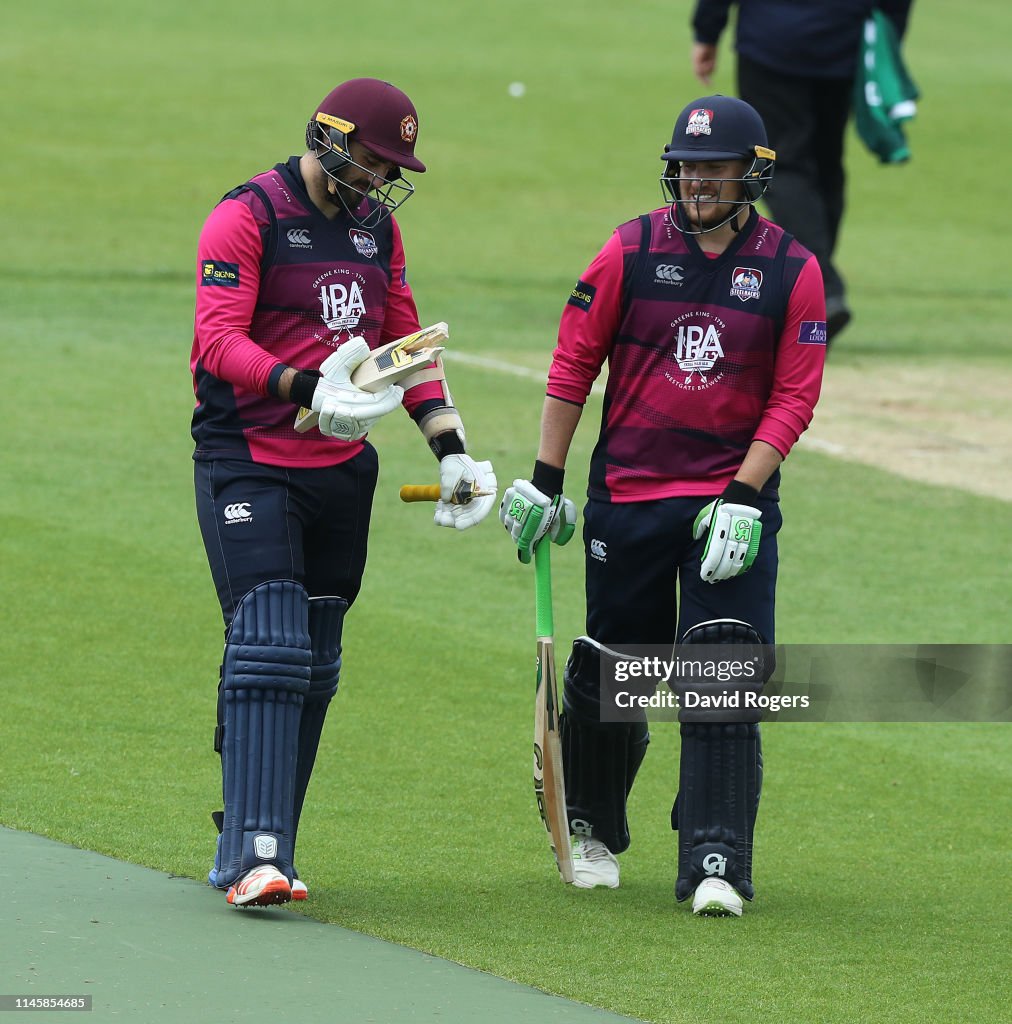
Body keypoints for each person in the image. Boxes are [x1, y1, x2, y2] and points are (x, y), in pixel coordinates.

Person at [499, 95, 825, 916]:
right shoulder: (630, 248)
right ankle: (593, 827)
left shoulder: (792, 268)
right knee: (614, 669)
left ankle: (716, 858)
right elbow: (573, 365)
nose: (697, 182)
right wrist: (546, 477)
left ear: (752, 175)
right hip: (629, 496)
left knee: (722, 667)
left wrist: (745, 494)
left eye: (714, 169)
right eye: (686, 166)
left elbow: (793, 397)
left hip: (729, 506)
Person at [190, 78, 497, 909]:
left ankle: (265, 847)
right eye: (370, 159)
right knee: (270, 643)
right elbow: (215, 339)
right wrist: (301, 387)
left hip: (339, 472)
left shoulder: (377, 230)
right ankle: (252, 854)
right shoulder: (246, 214)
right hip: (248, 457)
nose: (378, 178)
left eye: (391, 166)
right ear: (327, 139)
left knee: (315, 661)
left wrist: (454, 449)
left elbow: (405, 345)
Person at [690, 0, 914, 343]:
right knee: (826, 165)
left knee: (786, 164)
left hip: (771, 41)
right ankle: (816, 292)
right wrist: (888, 35)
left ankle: (821, 288)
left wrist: (708, 30)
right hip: (844, 40)